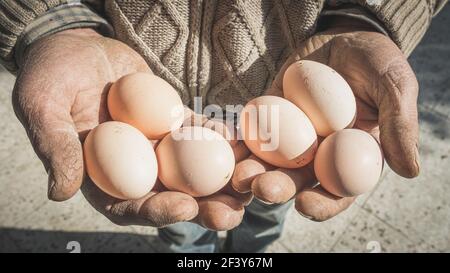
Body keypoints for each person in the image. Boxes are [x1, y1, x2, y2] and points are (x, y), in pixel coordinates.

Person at [0, 0, 447, 253]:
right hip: (159, 105)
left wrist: (362, 17)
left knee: (267, 203)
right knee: (180, 218)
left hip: (279, 110)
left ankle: (249, 255)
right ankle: (192, 256)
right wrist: (54, 24)